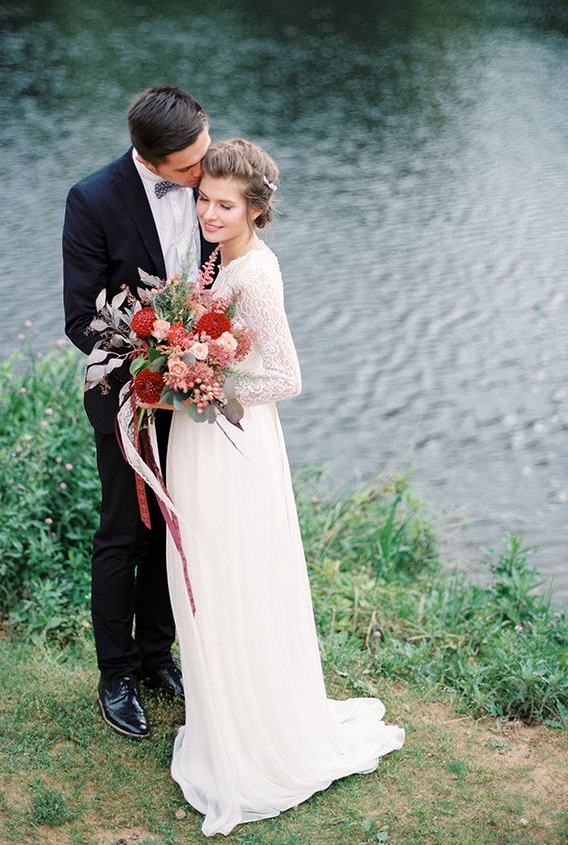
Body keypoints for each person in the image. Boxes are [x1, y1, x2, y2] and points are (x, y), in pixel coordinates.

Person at [152, 138, 405, 836]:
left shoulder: (255, 276)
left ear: (255, 209)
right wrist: (186, 369)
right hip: (206, 434)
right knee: (204, 573)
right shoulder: (220, 260)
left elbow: (288, 378)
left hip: (231, 442)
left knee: (229, 576)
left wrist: (202, 382)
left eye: (224, 204)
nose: (208, 211)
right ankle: (223, 714)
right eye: (203, 198)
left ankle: (252, 740)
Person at [62, 85, 216, 739]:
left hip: (194, 395)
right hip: (124, 395)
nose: (205, 172)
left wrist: (203, 351)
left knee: (173, 532)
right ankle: (116, 674)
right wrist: (159, 347)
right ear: (152, 160)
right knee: (123, 535)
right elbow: (81, 319)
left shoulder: (210, 183)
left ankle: (158, 656)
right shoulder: (92, 199)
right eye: (190, 165)